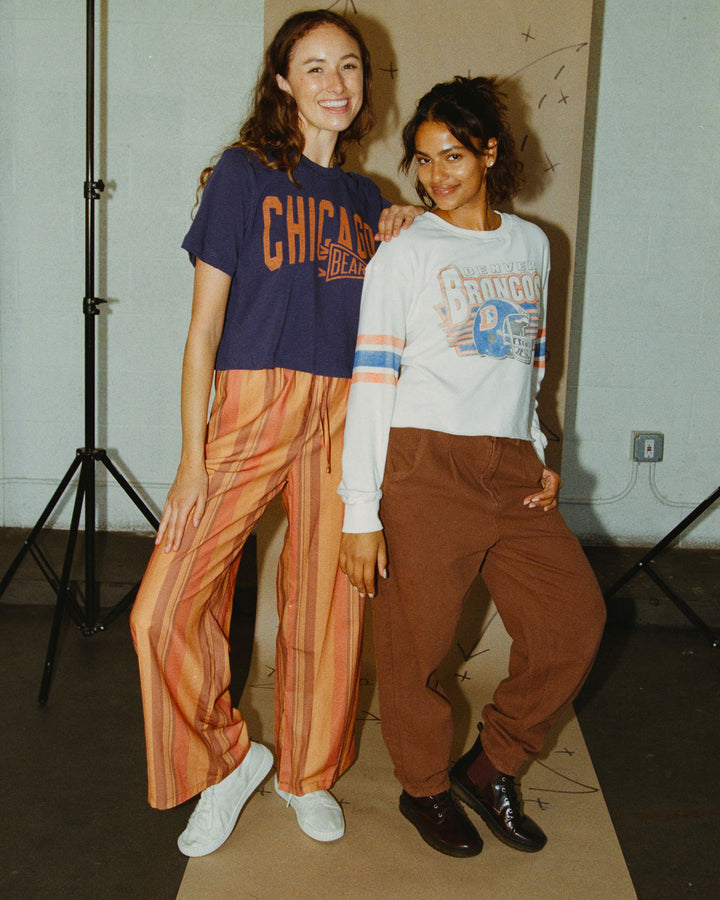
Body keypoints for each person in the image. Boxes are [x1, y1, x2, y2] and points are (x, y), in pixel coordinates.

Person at [130, 9, 420, 858]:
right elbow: (202, 333)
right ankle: (228, 760)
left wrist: (404, 223)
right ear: (284, 82)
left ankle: (306, 773)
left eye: (350, 66)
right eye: (315, 67)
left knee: (329, 604)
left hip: (345, 413)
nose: (336, 83)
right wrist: (191, 460)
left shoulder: (369, 201)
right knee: (161, 612)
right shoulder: (243, 174)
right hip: (253, 403)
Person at [338, 76, 606, 858]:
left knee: (573, 621)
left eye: (452, 156)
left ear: (489, 152)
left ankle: (491, 766)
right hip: (424, 464)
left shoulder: (532, 244)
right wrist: (361, 510)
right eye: (423, 161)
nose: (436, 176)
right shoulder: (404, 251)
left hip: (511, 467)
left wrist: (539, 450)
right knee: (417, 648)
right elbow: (372, 380)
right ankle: (423, 786)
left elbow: (527, 362)